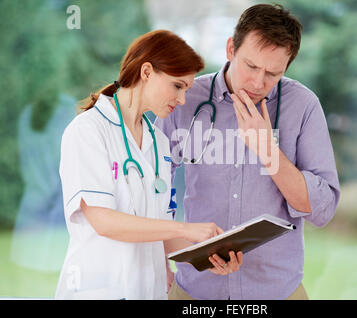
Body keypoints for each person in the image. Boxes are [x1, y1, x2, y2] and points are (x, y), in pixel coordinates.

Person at [155, 4, 340, 300]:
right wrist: (170, 253)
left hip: (276, 291)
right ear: (231, 48)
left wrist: (268, 150)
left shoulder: (303, 107)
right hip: (195, 290)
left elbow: (322, 210)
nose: (258, 83)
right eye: (251, 66)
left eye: (273, 73)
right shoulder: (185, 100)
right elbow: (154, 190)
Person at [55, 30, 243, 300]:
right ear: (146, 72)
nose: (181, 100)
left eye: (187, 90)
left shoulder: (159, 142)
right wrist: (185, 228)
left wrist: (209, 256)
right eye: (177, 86)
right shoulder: (88, 131)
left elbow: (162, 229)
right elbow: (104, 222)